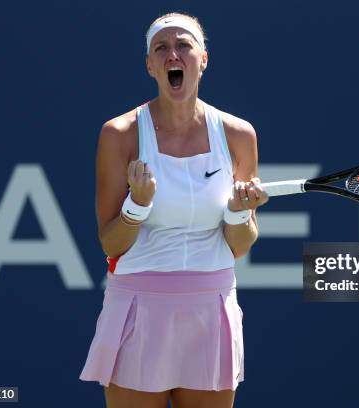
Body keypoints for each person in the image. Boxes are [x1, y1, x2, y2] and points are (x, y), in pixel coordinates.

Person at [79, 12, 268, 408]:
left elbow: (240, 244)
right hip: (137, 312)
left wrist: (237, 212)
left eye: (184, 45)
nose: (172, 55)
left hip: (210, 309)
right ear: (149, 65)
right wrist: (138, 204)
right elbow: (111, 243)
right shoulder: (120, 134)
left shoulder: (238, 134)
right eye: (161, 48)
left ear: (203, 59)